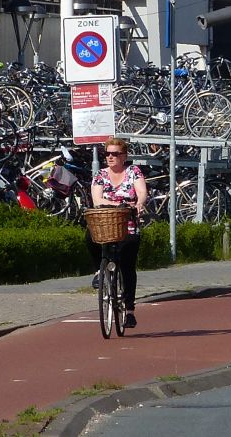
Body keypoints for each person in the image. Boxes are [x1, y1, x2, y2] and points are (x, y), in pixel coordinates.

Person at [87, 138, 148, 328]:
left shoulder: (133, 172)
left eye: (115, 154)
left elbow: (142, 192)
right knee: (89, 237)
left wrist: (139, 204)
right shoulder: (100, 175)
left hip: (128, 223)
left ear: (124, 156)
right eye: (108, 154)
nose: (111, 157)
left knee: (128, 265)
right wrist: (117, 205)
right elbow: (97, 200)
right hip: (106, 223)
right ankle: (99, 270)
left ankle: (129, 310)